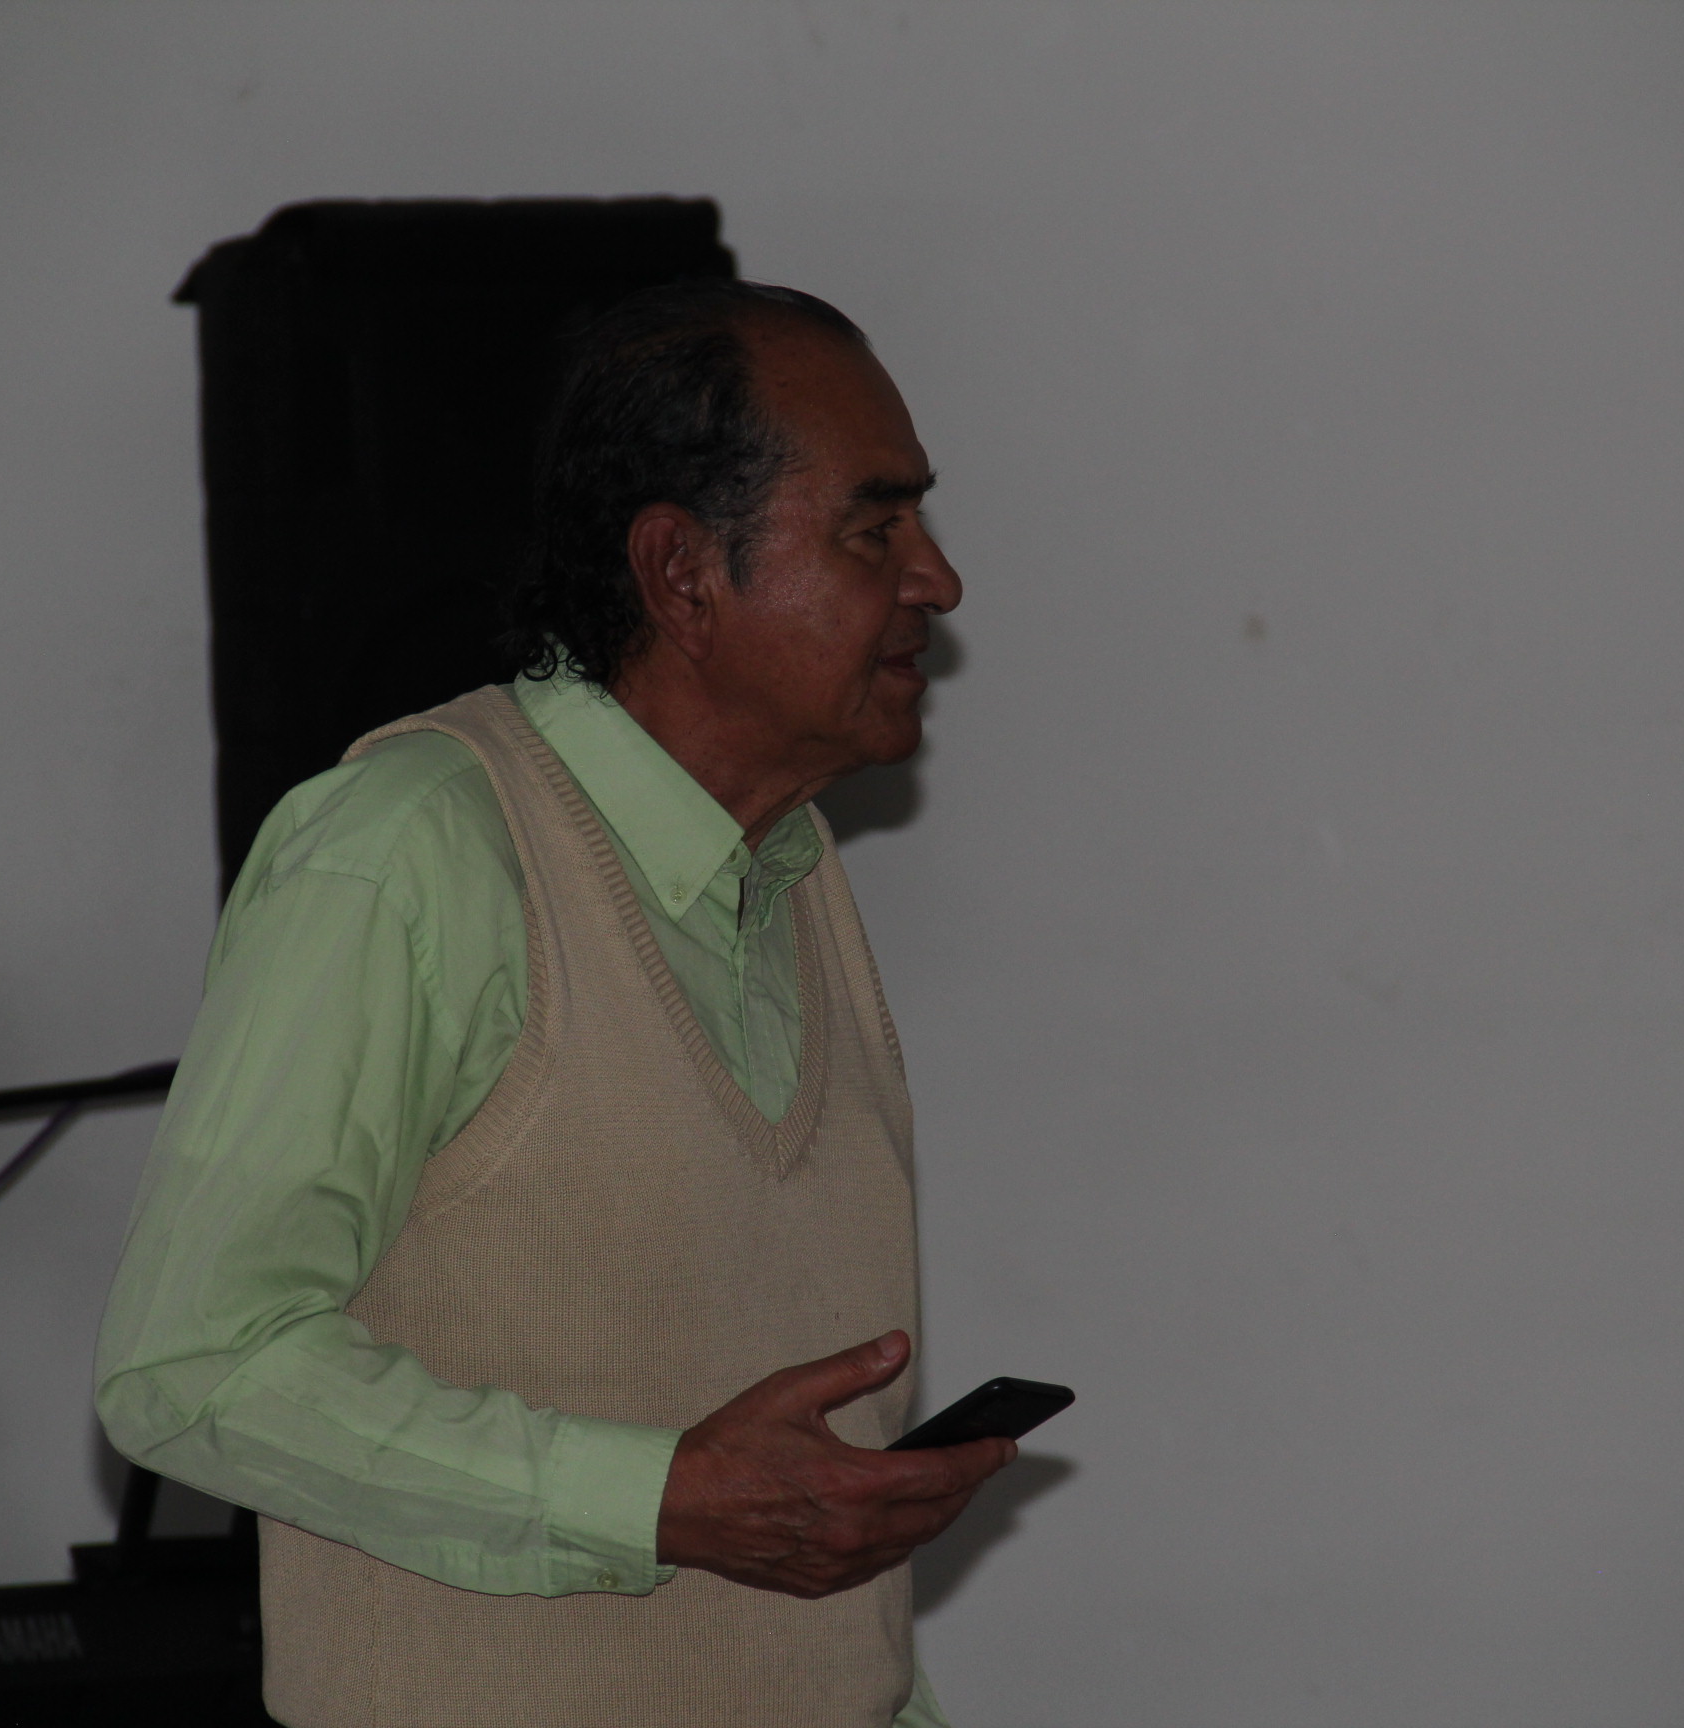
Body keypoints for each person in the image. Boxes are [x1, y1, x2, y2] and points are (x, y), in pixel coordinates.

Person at [95, 279, 1012, 1728]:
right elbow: (194, 1364)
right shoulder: (409, 849)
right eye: (873, 528)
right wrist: (656, 1500)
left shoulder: (795, 871)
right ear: (682, 572)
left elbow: (804, 1574)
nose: (937, 581)